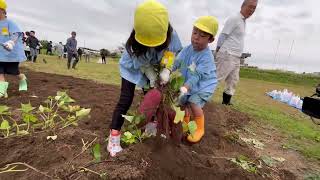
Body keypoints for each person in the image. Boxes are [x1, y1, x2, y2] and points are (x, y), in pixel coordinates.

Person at [107, 0, 182, 157]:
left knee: (153, 98)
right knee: (126, 99)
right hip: (132, 68)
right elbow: (142, 64)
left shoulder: (172, 34)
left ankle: (150, 126)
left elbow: (170, 54)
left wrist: (167, 70)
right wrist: (151, 75)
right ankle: (113, 138)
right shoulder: (135, 43)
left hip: (154, 67)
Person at [171, 16, 219, 143]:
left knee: (193, 102)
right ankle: (185, 125)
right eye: (194, 33)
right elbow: (176, 62)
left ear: (211, 39)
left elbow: (197, 76)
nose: (196, 37)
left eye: (202, 36)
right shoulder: (187, 49)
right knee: (182, 103)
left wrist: (185, 87)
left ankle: (199, 129)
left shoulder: (206, 57)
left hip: (203, 85)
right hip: (188, 83)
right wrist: (168, 71)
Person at [215, 0, 258, 105]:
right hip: (227, 54)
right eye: (250, 7)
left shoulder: (243, 21)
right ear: (243, 5)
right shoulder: (235, 18)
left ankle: (226, 102)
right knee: (217, 78)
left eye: (254, 8)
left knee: (233, 80)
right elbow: (223, 35)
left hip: (236, 56)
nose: (252, 10)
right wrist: (218, 51)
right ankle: (200, 99)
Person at [0, 0, 27, 98]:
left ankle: (22, 78)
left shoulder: (9, 23)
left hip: (10, 55)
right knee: (0, 72)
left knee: (14, 72)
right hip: (0, 54)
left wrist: (12, 42)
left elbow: (16, 33)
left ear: (2, 10)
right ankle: (2, 92)